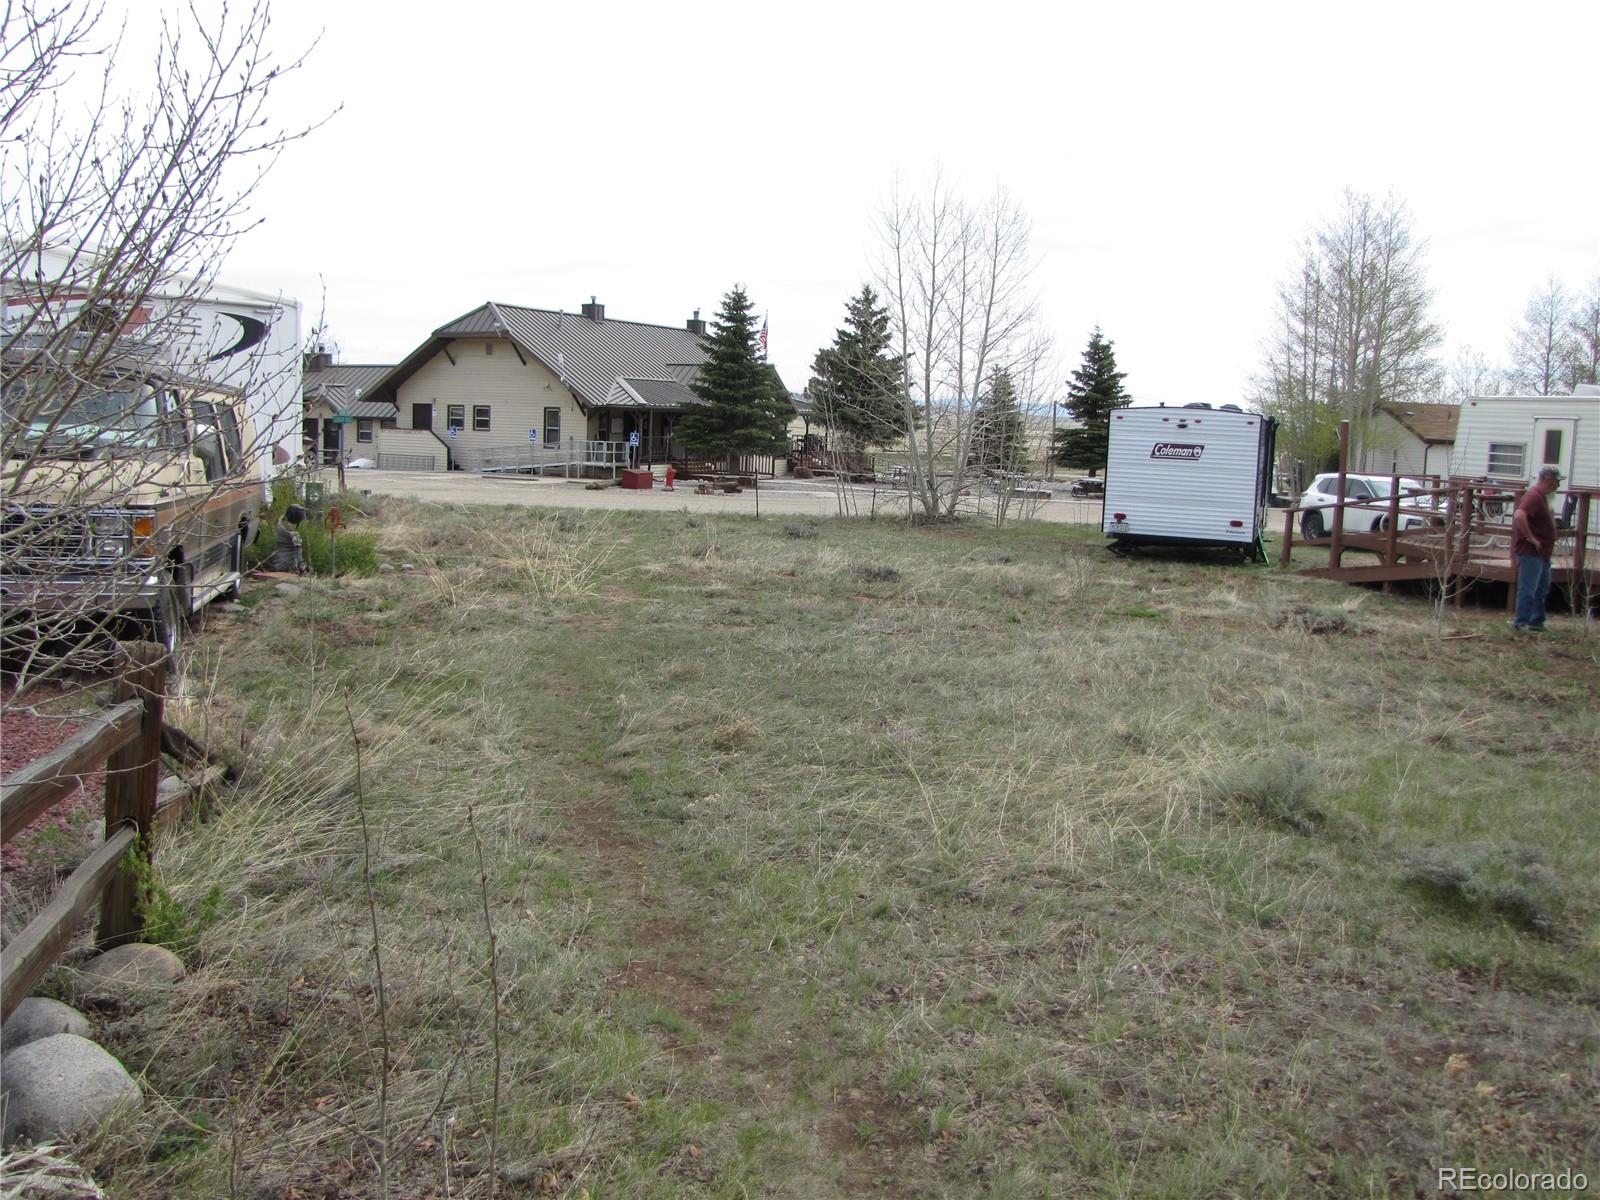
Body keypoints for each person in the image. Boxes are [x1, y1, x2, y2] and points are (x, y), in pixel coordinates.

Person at [1510, 467, 1561, 632]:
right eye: (1556, 480)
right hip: (1530, 552)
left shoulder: (1543, 498)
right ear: (1547, 478)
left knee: (1542, 589)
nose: (1558, 484)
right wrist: (1531, 538)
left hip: (1543, 553)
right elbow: (1519, 515)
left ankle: (1536, 622)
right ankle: (1521, 623)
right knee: (1528, 589)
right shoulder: (1533, 496)